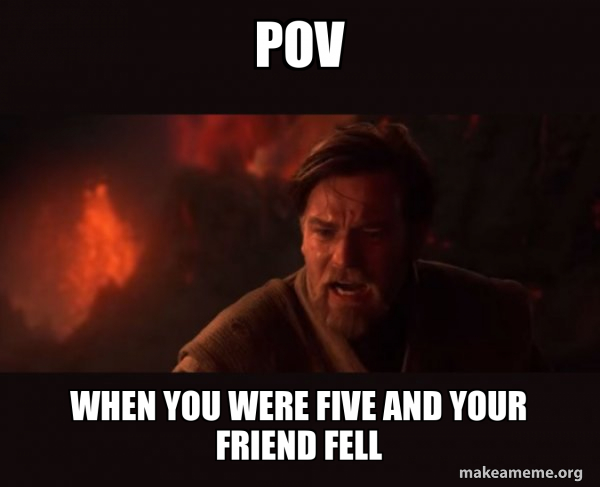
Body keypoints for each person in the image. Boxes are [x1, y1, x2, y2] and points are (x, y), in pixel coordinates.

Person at [173, 122, 542, 372]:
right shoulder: (232, 358)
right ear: (303, 235)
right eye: (324, 232)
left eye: (371, 234)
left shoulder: (490, 321)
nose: (345, 257)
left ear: (415, 236)